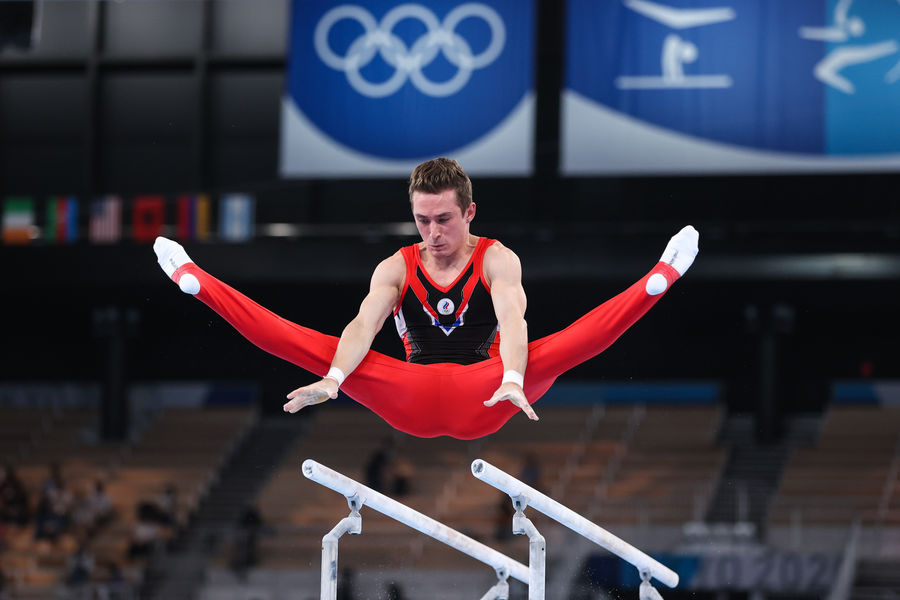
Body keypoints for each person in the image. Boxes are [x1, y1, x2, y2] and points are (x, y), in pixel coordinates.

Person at [153, 158, 698, 439]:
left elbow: (512, 317)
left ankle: (660, 276)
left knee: (555, 348)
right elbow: (363, 324)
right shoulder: (396, 266)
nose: (432, 232)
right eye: (421, 220)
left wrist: (512, 379)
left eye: (443, 219)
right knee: (315, 347)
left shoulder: (496, 258)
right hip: (407, 395)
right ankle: (199, 282)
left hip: (490, 392)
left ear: (470, 213)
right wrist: (335, 380)